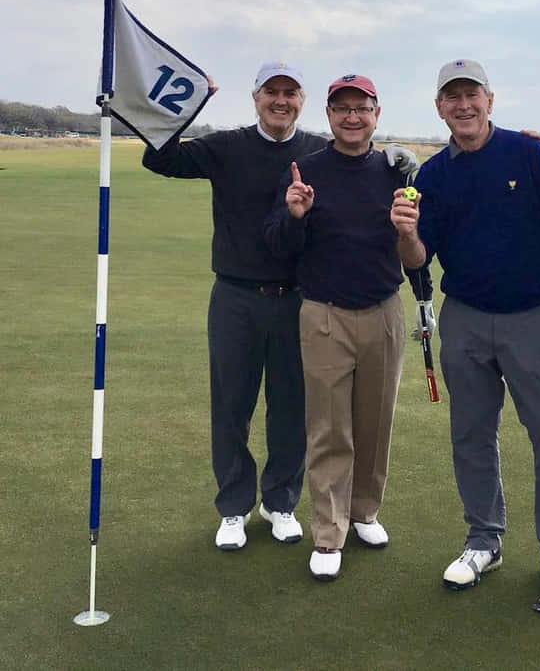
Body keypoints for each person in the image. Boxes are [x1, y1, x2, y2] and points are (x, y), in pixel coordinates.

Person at [142, 62, 417, 551]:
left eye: (290, 93)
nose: (280, 101)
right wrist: (190, 105)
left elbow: (357, 156)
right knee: (232, 404)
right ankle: (233, 506)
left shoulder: (314, 152)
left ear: (303, 102)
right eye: (272, 92)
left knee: (292, 407)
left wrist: (399, 157)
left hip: (297, 297)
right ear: (256, 98)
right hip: (236, 294)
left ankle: (280, 501)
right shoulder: (226, 145)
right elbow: (159, 159)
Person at [390, 59, 540, 598]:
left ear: (490, 100)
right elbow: (419, 257)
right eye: (452, 97)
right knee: (471, 433)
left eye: (472, 95)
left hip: (532, 317)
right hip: (466, 318)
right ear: (439, 108)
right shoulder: (433, 175)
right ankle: (484, 539)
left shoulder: (528, 154)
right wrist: (406, 233)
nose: (463, 106)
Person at [263, 73, 431, 582]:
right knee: (330, 427)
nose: (352, 117)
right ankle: (329, 531)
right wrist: (295, 214)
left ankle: (364, 512)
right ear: (329, 115)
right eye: (342, 108)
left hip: (383, 311)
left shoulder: (396, 172)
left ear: (377, 114)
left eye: (362, 108)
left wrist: (407, 231)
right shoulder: (306, 170)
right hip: (324, 313)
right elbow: (279, 244)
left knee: (375, 423)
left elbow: (415, 257)